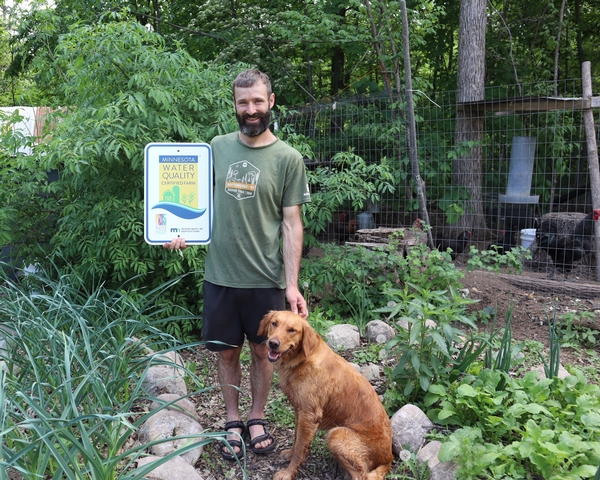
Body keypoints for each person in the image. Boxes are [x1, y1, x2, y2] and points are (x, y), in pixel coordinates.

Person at [163, 69, 311, 461]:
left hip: (265, 278)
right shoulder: (216, 147)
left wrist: (292, 285)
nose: (251, 110)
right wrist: (179, 229)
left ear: (271, 102)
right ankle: (231, 420)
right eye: (243, 102)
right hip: (221, 275)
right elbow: (193, 197)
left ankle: (256, 417)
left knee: (263, 352)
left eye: (258, 102)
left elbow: (292, 223)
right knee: (226, 353)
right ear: (235, 105)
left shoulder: (288, 159)